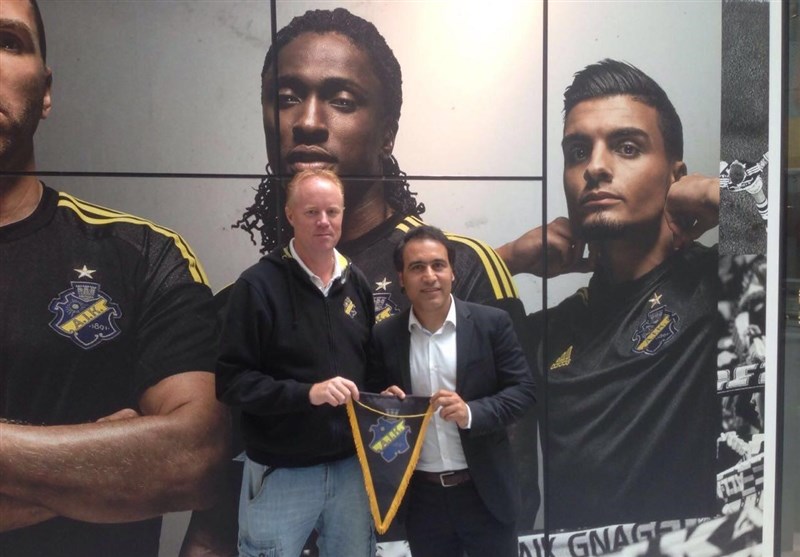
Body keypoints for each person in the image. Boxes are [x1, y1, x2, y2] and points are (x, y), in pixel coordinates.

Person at [226, 9, 540, 538]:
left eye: (341, 100)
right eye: (287, 98)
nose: (307, 121)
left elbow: (514, 443)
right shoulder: (255, 288)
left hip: (425, 529)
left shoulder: (461, 264)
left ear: (387, 132)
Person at [0, 1, 229, 556]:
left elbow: (194, 459)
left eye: (8, 42)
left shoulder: (142, 255)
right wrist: (101, 468)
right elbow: (154, 466)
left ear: (46, 90)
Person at [524, 59, 720, 530]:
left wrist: (718, 193)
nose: (594, 167)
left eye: (627, 147)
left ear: (675, 174)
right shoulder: (551, 330)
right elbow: (409, 340)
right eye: (577, 152)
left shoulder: (718, 287)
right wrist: (508, 258)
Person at [215, 169, 377, 557]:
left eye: (332, 211)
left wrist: (382, 395)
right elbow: (232, 382)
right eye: (311, 212)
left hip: (351, 469)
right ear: (290, 215)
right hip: (282, 471)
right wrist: (309, 394)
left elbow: (367, 365)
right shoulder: (257, 286)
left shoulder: (357, 283)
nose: (324, 221)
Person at [370, 225, 536, 557]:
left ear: (453, 273)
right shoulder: (384, 336)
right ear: (401, 278)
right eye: (417, 267)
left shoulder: (492, 324)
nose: (430, 276)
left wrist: (471, 412)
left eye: (438, 265)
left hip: (484, 493)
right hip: (423, 500)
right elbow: (373, 409)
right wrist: (384, 405)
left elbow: (524, 391)